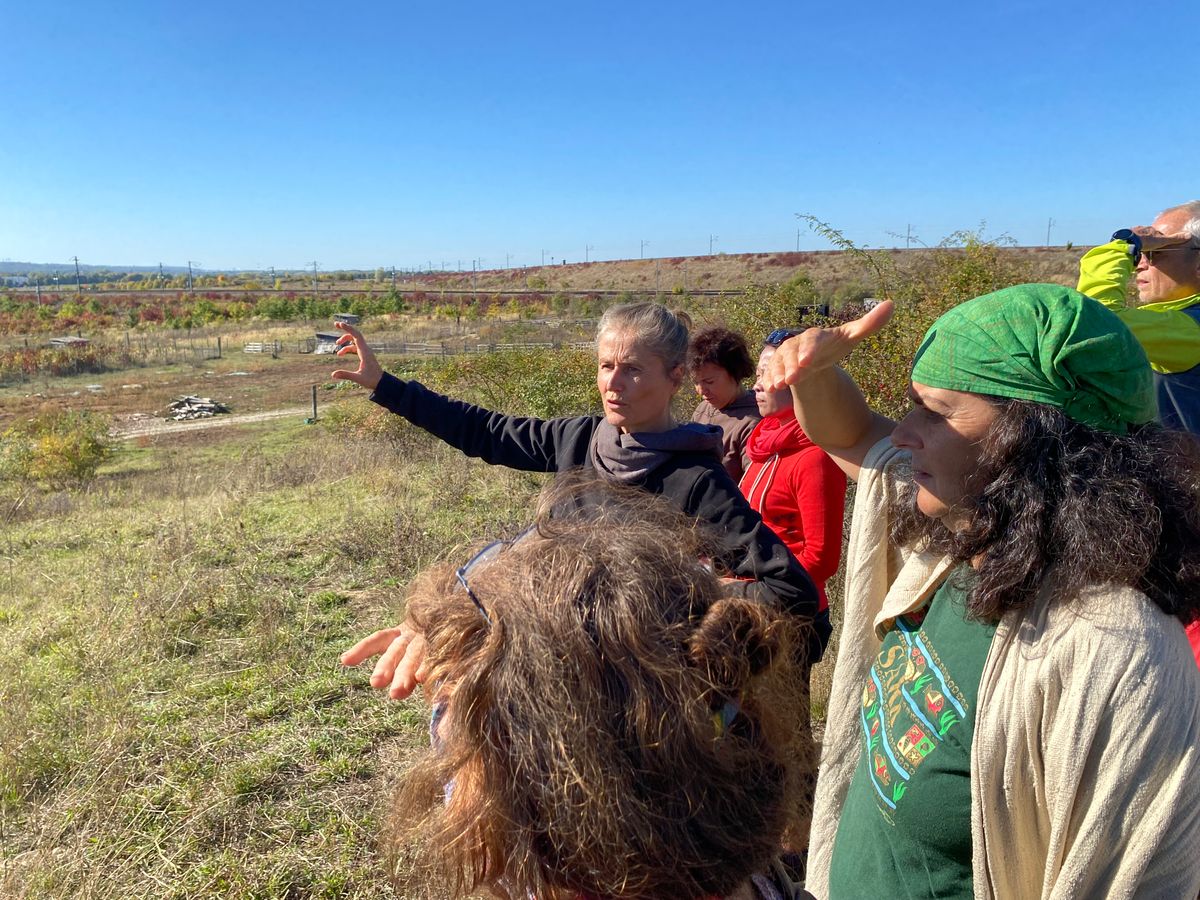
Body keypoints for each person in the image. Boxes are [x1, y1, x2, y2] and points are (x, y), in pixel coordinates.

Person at [764, 283, 1200, 899]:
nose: (907, 432)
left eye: (937, 411)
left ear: (1040, 441)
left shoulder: (1118, 655)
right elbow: (851, 432)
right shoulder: (967, 535)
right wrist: (814, 372)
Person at [334, 302, 817, 701]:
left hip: (620, 694)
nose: (613, 382)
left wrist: (670, 598)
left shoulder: (695, 479)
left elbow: (790, 590)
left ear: (674, 377)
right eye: (607, 366)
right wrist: (386, 387)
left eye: (632, 369)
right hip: (543, 663)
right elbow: (486, 431)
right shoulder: (583, 437)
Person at [385, 479, 816, 900]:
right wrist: (456, 629)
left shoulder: (529, 841)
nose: (445, 715)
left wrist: (448, 642)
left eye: (467, 716)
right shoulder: (711, 782)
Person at [742, 328, 846, 658]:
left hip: (793, 614)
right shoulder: (764, 444)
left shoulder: (814, 457)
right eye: (758, 374)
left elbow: (821, 557)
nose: (757, 385)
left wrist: (762, 590)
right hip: (754, 603)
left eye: (771, 374)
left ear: (801, 382)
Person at [1077, 200, 1200, 433]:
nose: (1139, 264)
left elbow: (1093, 321)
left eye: (1155, 251)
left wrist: (1124, 245)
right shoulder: (1175, 322)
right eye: (1140, 252)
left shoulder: (1192, 330)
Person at [689, 325, 761, 481]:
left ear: (735, 372)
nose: (701, 391)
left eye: (709, 381)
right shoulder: (703, 409)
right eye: (696, 382)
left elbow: (753, 486)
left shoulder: (753, 422)